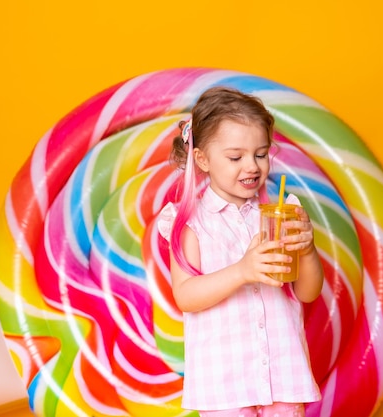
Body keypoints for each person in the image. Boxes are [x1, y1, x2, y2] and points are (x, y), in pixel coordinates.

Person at [157, 86, 324, 417]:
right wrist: (241, 271)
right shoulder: (191, 223)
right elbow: (186, 296)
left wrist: (306, 251)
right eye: (236, 157)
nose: (252, 166)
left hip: (283, 376)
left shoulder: (280, 214)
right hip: (223, 386)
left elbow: (307, 292)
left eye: (261, 154)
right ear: (202, 159)